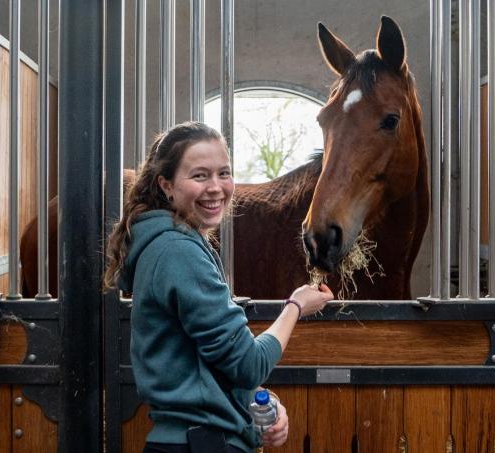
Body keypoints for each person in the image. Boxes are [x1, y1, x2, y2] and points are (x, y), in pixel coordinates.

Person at [104, 121, 334, 453]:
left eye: (223, 173)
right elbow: (248, 364)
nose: (216, 187)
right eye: (199, 176)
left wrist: (260, 401)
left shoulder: (172, 245)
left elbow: (209, 366)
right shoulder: (178, 252)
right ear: (166, 185)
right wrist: (295, 307)